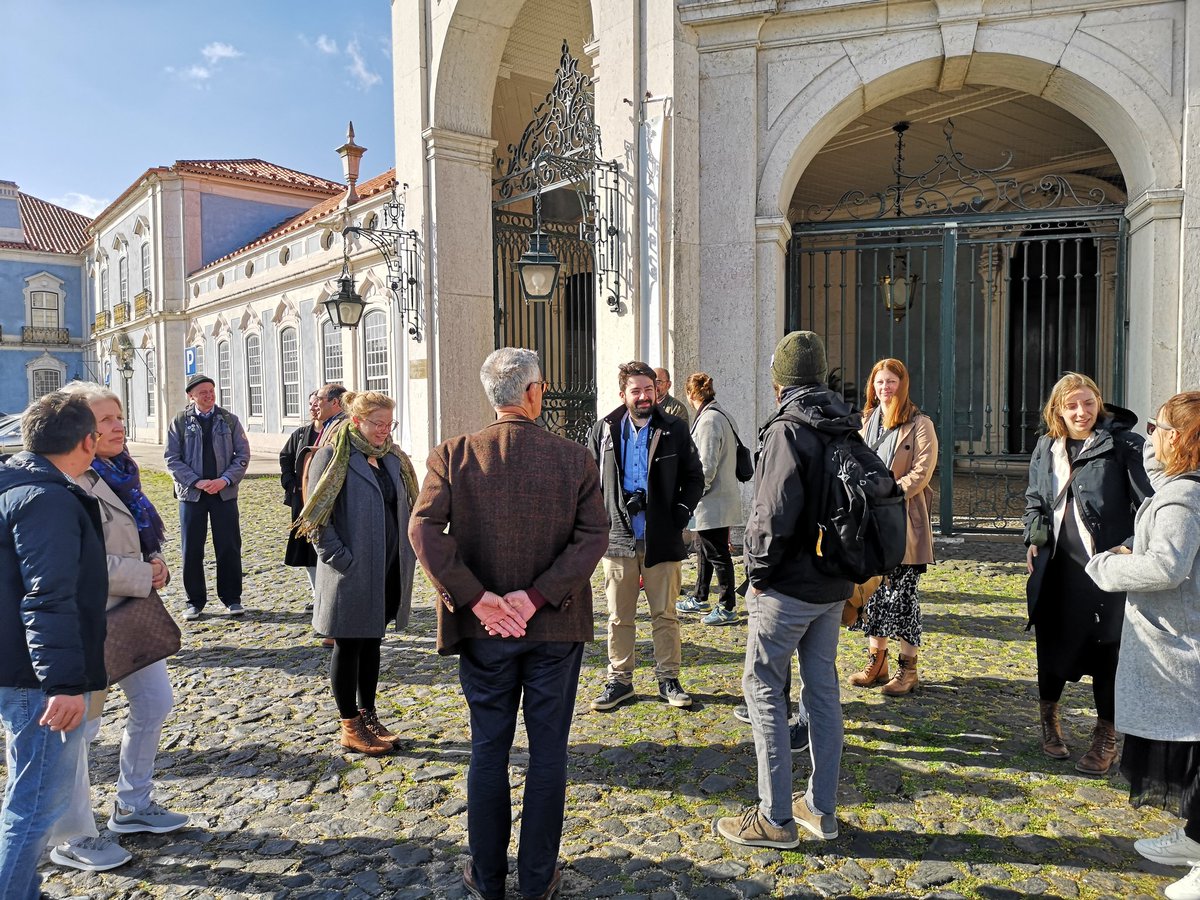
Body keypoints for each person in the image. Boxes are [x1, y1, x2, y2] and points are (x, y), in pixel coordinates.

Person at [410, 347, 608, 900]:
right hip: (551, 627)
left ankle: (490, 877)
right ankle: (538, 878)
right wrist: (535, 596)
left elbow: (423, 531)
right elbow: (593, 537)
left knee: (488, 750)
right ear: (533, 393)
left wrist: (481, 601)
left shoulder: (453, 454)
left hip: (487, 631)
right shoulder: (573, 459)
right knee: (547, 755)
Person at [715, 331, 856, 850]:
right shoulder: (845, 423)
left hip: (788, 587)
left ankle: (775, 818)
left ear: (779, 384)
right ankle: (821, 809)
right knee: (822, 692)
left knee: (764, 690)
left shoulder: (788, 430)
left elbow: (770, 514)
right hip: (831, 583)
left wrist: (756, 573)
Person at [47, 383, 188, 873]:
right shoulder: (68, 480)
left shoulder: (122, 473)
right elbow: (68, 559)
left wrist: (155, 562)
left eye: (119, 416)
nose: (117, 426)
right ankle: (72, 835)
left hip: (129, 614)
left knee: (154, 702)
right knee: (80, 733)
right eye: (104, 419)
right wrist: (139, 573)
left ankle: (132, 805)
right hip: (85, 621)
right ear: (80, 430)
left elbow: (133, 534)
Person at [1085, 391, 1200, 900]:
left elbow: (1167, 567)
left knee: (1195, 759)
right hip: (1181, 640)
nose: (1149, 435)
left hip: (1183, 647)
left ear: (1177, 437)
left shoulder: (1182, 498)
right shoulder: (1178, 490)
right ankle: (1193, 839)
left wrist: (1107, 567)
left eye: (1157, 427)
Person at [0, 393, 107, 900]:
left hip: (18, 664)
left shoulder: (17, 486)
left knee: (29, 795)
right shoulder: (47, 499)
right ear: (86, 442)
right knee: (35, 801)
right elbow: (49, 597)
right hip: (34, 676)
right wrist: (62, 685)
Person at [1023, 372, 1151, 775]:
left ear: (1099, 402)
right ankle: (1050, 721)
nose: (1081, 412)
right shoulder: (1047, 446)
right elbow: (1035, 499)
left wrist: (1129, 546)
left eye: (1088, 402)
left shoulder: (1123, 446)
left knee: (1107, 649)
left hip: (1106, 570)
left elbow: (1149, 505)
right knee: (1052, 642)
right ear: (1058, 409)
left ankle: (1106, 736)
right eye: (1072, 405)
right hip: (1057, 564)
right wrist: (1032, 537)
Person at [294, 390, 417, 756]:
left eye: (389, 423)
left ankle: (368, 714)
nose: (384, 430)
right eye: (378, 423)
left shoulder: (392, 457)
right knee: (348, 645)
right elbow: (317, 516)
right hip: (350, 570)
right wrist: (340, 558)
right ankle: (350, 725)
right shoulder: (333, 455)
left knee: (373, 642)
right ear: (357, 421)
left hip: (386, 566)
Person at [588, 361, 704, 711]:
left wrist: (678, 516)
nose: (643, 396)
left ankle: (668, 679)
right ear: (622, 393)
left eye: (648, 390)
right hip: (619, 537)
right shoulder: (604, 430)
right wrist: (598, 521)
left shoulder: (674, 429)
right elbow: (589, 481)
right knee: (619, 616)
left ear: (658, 391)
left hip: (661, 538)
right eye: (635, 391)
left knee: (665, 615)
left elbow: (695, 477)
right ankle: (620, 681)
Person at [847, 358, 939, 696]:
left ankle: (908, 668)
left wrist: (890, 491)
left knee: (903, 597)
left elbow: (923, 470)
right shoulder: (865, 421)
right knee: (872, 594)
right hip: (869, 522)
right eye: (879, 382)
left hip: (903, 521)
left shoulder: (919, 424)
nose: (885, 388)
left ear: (903, 384)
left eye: (891, 382)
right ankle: (877, 660)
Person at [164, 374, 250, 620]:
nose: (209, 395)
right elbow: (172, 458)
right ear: (191, 396)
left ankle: (232, 598)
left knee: (229, 547)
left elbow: (242, 455)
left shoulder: (229, 420)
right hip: (192, 495)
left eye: (211, 391)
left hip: (223, 494)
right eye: (203, 392)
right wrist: (196, 481)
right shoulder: (179, 422)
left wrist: (224, 480)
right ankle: (194, 601)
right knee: (191, 549)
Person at [675, 372, 742, 626]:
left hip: (714, 500)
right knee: (705, 549)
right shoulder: (720, 414)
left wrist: (692, 494)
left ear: (691, 394)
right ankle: (700, 596)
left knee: (718, 553)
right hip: (718, 498)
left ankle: (727, 606)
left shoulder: (709, 420)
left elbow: (707, 466)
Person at [281, 384, 346, 596]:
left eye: (318, 401)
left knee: (328, 546)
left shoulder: (340, 427)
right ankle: (318, 593)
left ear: (334, 403)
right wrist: (291, 485)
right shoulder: (302, 433)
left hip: (326, 501)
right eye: (312, 403)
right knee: (308, 550)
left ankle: (328, 593)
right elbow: (287, 458)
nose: (315, 406)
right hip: (304, 498)